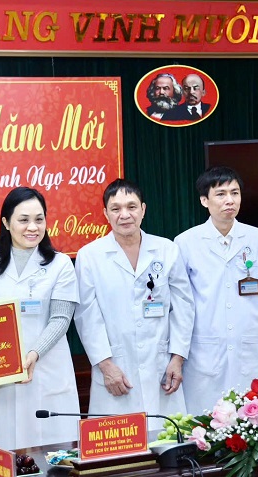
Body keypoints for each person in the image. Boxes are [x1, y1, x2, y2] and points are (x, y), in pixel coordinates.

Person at [74, 179, 194, 430]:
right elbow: (87, 316)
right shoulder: (90, 255)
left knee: (167, 440)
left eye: (131, 206)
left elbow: (183, 307)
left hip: (162, 365)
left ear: (143, 209)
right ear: (106, 213)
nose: (125, 214)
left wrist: (178, 358)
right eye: (116, 208)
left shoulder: (166, 249)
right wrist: (106, 366)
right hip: (116, 368)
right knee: (119, 444)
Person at [0, 187, 80, 449]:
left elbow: (61, 319)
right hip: (2, 380)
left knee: (54, 457)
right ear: (6, 223)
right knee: (5, 454)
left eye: (39, 219)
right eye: (23, 219)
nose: (33, 227)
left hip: (47, 372)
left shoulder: (60, 264)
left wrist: (33, 354)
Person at [174, 167, 258, 415]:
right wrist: (177, 356)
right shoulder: (185, 242)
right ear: (204, 200)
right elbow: (181, 307)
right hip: (203, 356)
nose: (230, 200)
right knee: (203, 426)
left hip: (249, 355)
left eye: (235, 193)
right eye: (221, 194)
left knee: (249, 423)